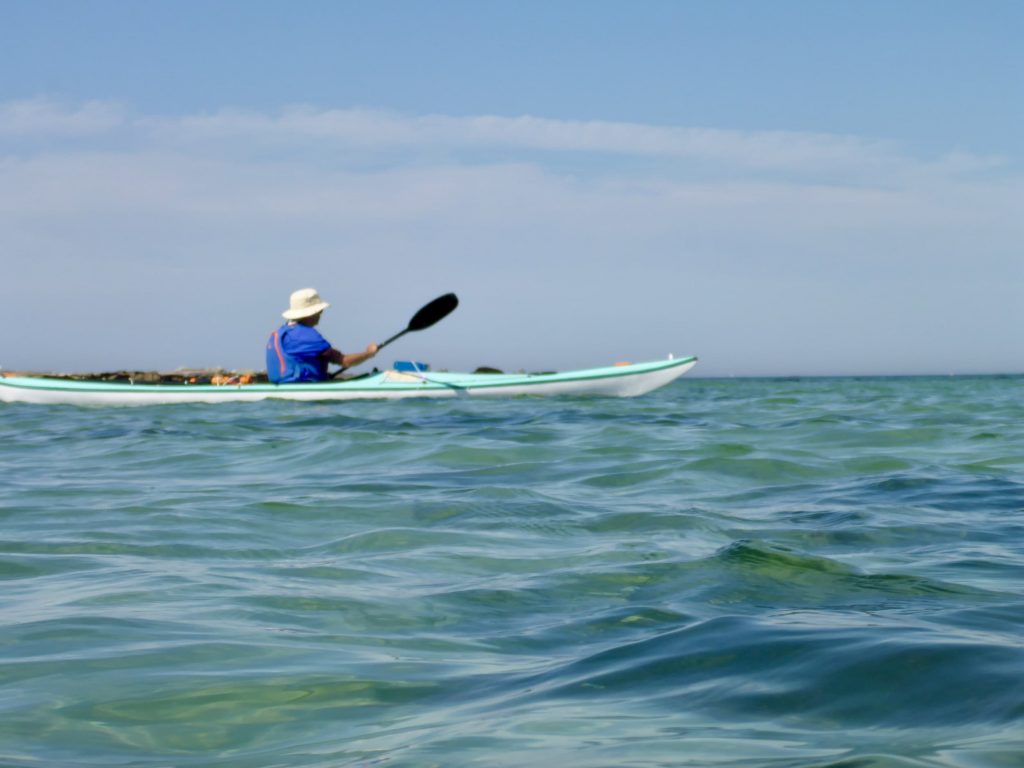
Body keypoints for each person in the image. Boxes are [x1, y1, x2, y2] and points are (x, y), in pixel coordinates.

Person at [266, 288, 378, 383]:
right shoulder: (306, 336)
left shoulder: (281, 332)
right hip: (303, 390)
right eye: (319, 311)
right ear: (310, 314)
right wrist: (369, 353)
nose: (320, 314)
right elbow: (344, 361)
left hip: (285, 386)